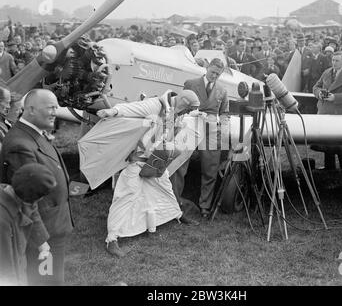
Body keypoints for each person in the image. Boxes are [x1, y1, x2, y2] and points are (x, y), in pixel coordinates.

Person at [97, 90, 202, 258]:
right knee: (126, 195)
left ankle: (177, 215)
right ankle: (112, 239)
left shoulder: (177, 113)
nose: (188, 113)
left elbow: (166, 136)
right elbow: (133, 108)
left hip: (156, 161)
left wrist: (176, 131)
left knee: (166, 188)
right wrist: (112, 111)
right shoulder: (155, 105)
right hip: (138, 160)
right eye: (188, 109)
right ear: (182, 101)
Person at [0, 89, 73, 285]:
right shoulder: (20, 144)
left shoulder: (34, 133)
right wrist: (41, 241)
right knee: (46, 280)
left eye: (56, 108)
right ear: (31, 109)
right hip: (44, 234)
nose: (55, 112)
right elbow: (27, 198)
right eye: (51, 107)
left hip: (54, 227)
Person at [170, 58, 230, 218]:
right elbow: (182, 105)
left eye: (217, 74)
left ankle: (205, 206)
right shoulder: (190, 83)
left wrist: (223, 129)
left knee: (210, 168)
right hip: (190, 126)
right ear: (207, 68)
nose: (214, 76)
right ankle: (174, 202)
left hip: (211, 130)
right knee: (180, 164)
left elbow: (224, 113)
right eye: (212, 72)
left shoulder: (222, 90)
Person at [0, 164, 56, 286]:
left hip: (18, 268)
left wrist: (42, 243)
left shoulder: (17, 192)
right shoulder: (3, 220)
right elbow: (5, 267)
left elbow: (32, 210)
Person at [313, 52, 342, 175]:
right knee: (327, 139)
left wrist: (335, 97)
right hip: (325, 110)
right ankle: (329, 166)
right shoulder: (327, 72)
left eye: (337, 60)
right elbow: (315, 86)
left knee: (341, 139)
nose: (334, 63)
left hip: (339, 112)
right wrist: (319, 93)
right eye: (333, 60)